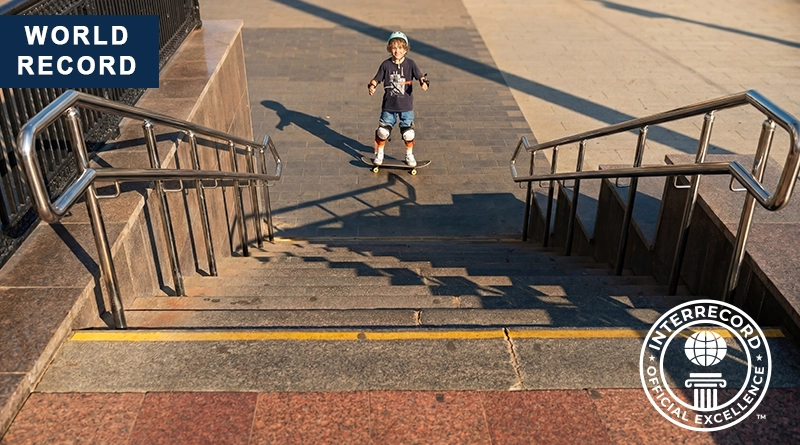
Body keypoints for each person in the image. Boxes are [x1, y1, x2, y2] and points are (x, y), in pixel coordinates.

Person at [367, 31, 429, 167]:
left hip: (406, 107)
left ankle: (409, 155)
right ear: (390, 49)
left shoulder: (411, 64)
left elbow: (420, 76)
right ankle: (380, 153)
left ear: (405, 49)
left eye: (400, 48)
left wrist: (424, 83)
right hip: (389, 106)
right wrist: (372, 86)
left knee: (408, 134)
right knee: (382, 132)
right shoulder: (386, 65)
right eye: (394, 48)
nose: (397, 51)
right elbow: (376, 79)